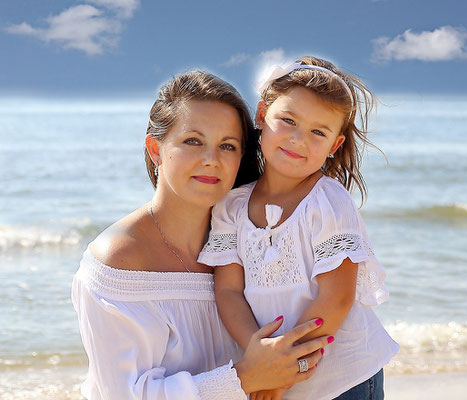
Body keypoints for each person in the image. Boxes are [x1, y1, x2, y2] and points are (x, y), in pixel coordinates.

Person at [71, 70, 333, 400]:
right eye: (193, 141)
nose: (211, 160)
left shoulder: (252, 240)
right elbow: (125, 395)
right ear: (156, 148)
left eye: (228, 145)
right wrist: (245, 377)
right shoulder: (118, 260)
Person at [198, 57, 399, 400]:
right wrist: (262, 358)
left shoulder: (327, 202)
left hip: (343, 377)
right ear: (262, 115)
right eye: (288, 120)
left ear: (334, 144)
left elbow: (335, 298)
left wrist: (283, 374)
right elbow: (228, 290)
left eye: (318, 132)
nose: (298, 139)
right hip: (274, 371)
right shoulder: (231, 206)